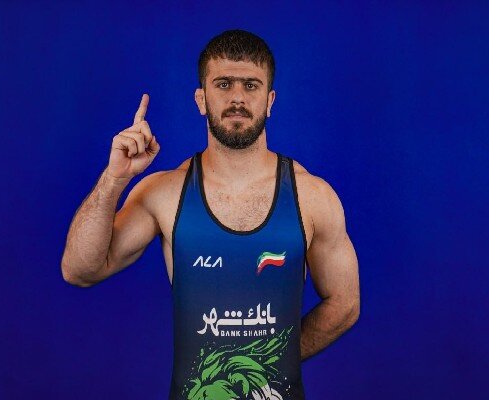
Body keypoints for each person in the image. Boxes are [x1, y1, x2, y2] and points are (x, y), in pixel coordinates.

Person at [61, 29, 360, 400]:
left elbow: (345, 303)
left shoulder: (312, 196)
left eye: (251, 85)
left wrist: (271, 360)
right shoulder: (164, 193)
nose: (237, 98)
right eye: (223, 84)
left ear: (270, 101)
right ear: (201, 99)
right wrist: (113, 179)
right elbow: (80, 270)